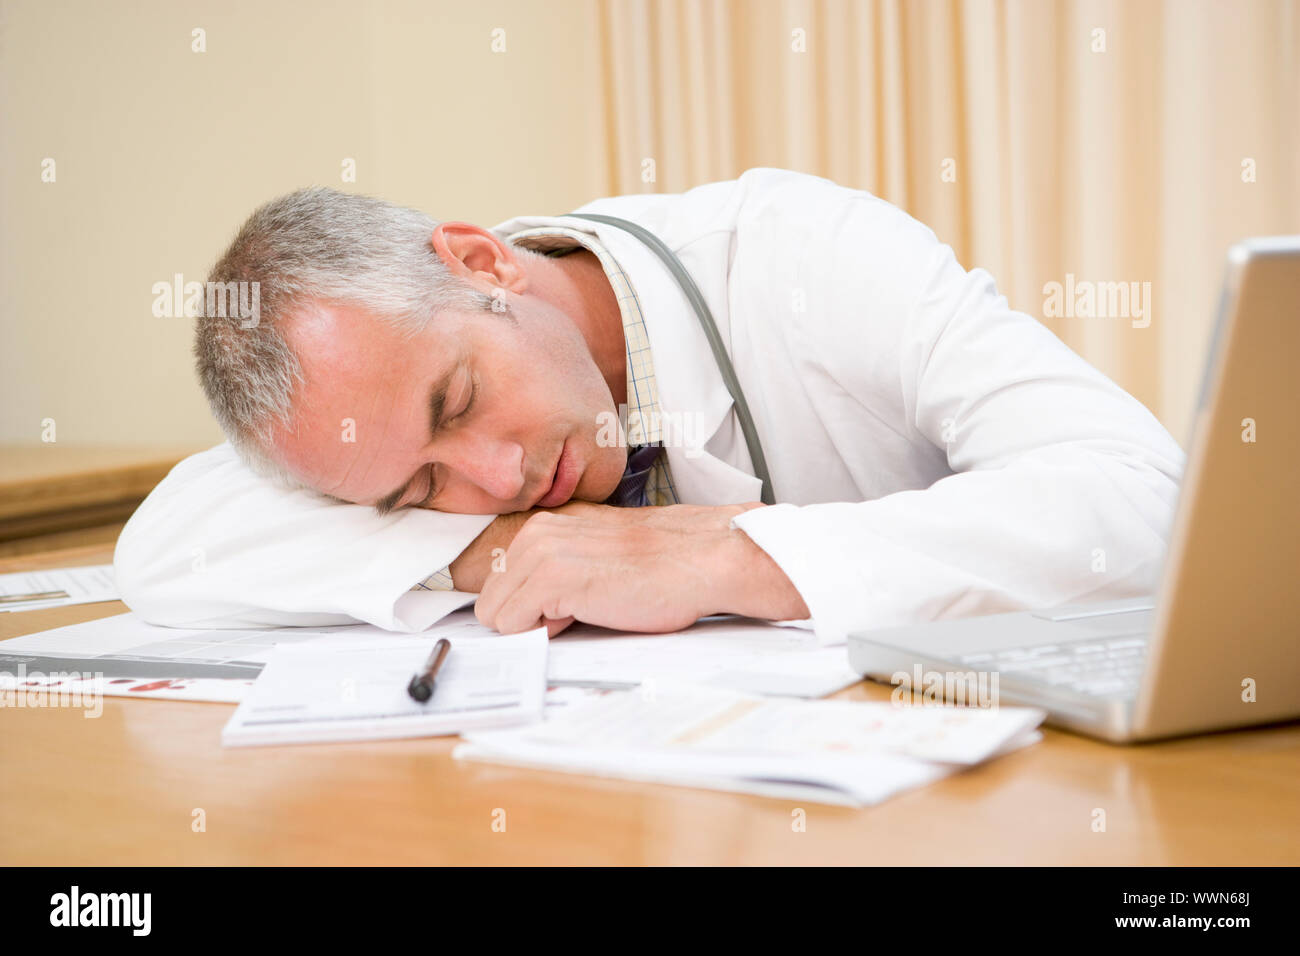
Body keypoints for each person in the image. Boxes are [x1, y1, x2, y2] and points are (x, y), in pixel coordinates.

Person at [115, 167, 1185, 643]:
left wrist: (733, 555)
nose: (494, 481)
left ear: (483, 261)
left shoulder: (805, 256)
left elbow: (1144, 498)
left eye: (459, 401)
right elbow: (165, 547)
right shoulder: (403, 425)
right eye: (419, 488)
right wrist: (485, 555)